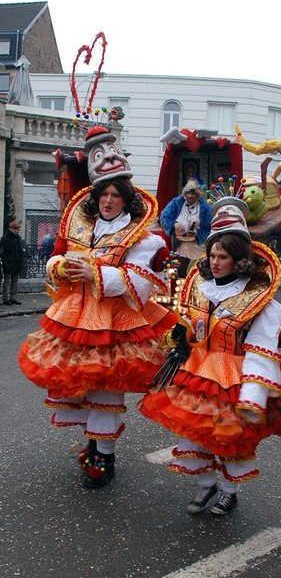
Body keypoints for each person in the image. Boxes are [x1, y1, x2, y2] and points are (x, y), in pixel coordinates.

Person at [140, 197, 281, 515]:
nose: (215, 262)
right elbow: (192, 327)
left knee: (231, 440)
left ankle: (229, 492)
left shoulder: (262, 301)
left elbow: (262, 350)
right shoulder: (200, 288)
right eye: (212, 254)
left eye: (224, 256)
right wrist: (180, 334)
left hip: (235, 378)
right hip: (198, 371)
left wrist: (253, 396)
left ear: (239, 259)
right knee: (197, 434)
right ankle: (206, 487)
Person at [18, 125, 176, 489]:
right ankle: (92, 445)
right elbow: (55, 260)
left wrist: (95, 274)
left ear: (126, 199)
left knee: (107, 388)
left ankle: (104, 458)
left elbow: (138, 284)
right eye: (103, 194)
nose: (108, 201)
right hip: (76, 317)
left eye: (115, 195)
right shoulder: (81, 228)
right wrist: (62, 267)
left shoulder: (144, 238)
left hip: (117, 321)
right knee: (83, 388)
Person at [160, 179, 212, 277]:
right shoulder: (176, 203)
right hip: (181, 245)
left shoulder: (205, 209)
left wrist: (198, 233)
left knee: (196, 272)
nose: (190, 196)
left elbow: (210, 228)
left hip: (198, 246)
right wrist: (174, 224)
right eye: (187, 193)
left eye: (193, 194)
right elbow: (164, 217)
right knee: (181, 271)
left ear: (198, 194)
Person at [0, 221, 24, 305]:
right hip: (9, 263)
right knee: (7, 282)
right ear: (10, 228)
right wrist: (5, 262)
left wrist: (21, 262)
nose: (16, 231)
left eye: (17, 229)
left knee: (15, 281)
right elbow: (3, 251)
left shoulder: (18, 239)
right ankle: (6, 299)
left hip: (16, 263)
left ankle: (13, 298)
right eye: (14, 229)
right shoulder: (5, 238)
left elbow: (20, 252)